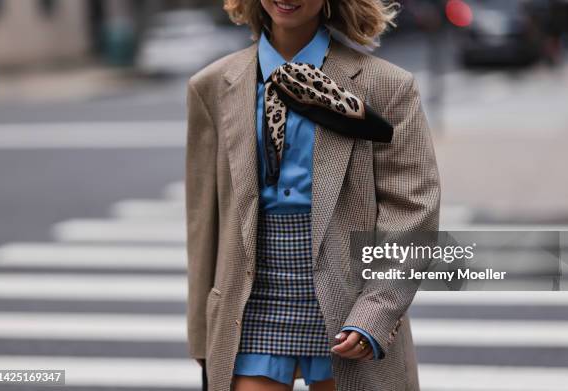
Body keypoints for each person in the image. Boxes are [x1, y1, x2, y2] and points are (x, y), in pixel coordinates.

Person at [185, 1, 441, 390]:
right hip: (250, 298)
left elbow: (413, 210)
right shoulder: (213, 86)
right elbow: (204, 220)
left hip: (349, 296)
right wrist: (203, 333)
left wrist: (376, 312)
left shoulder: (386, 85)